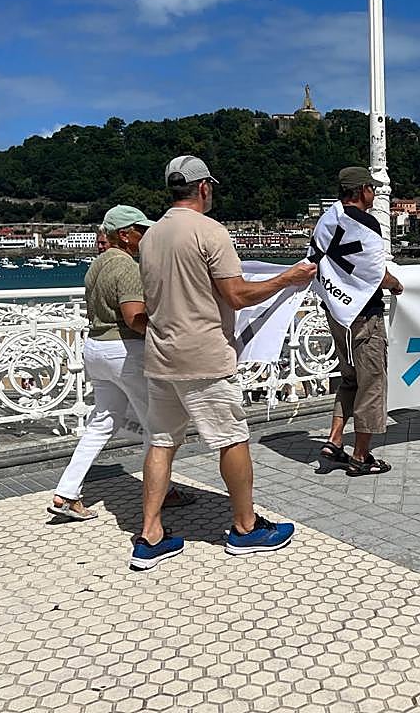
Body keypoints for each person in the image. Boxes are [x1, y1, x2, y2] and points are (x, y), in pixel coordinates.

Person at [132, 156, 316, 570]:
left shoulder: (150, 236)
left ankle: (150, 533)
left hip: (161, 354)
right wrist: (287, 278)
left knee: (161, 442)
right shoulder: (210, 231)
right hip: (204, 356)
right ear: (203, 188)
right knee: (231, 438)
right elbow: (237, 295)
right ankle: (246, 528)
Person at [48, 206, 194, 520]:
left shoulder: (97, 265)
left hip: (96, 348)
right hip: (124, 351)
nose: (146, 236)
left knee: (102, 423)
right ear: (125, 235)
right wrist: (168, 330)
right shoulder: (127, 267)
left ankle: (66, 492)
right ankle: (162, 494)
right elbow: (133, 317)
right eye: (141, 231)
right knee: (158, 426)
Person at [317, 167, 404, 476]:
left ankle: (333, 441)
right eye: (372, 187)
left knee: (350, 380)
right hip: (364, 315)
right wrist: (395, 284)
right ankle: (361, 456)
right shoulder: (366, 223)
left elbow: (317, 260)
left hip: (337, 312)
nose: (375, 193)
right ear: (362, 190)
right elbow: (374, 272)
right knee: (372, 384)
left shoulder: (328, 218)